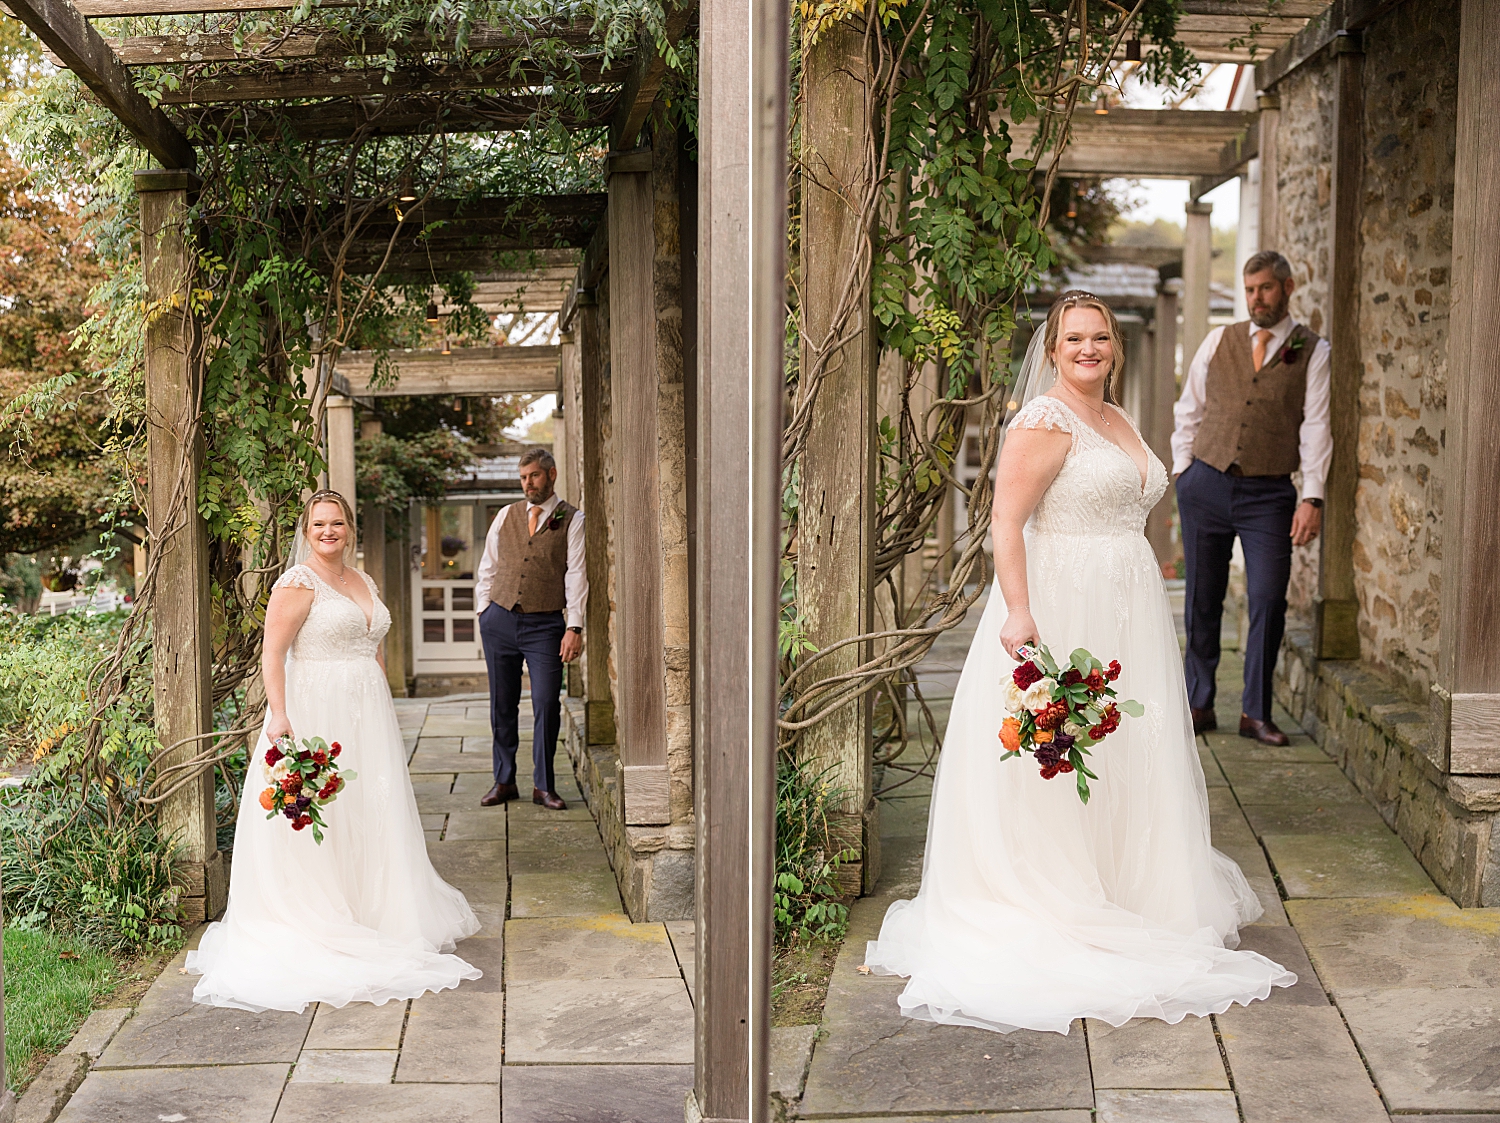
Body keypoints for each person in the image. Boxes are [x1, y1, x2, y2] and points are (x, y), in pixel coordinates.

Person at [863, 292, 1295, 1034]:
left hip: (1128, 607)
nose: (1088, 349)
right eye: (1074, 339)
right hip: (1063, 604)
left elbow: (1128, 501)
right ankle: (1056, 893)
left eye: (1100, 337)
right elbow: (1005, 520)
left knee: (1129, 750)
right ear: (1053, 350)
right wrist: (1022, 613)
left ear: (1115, 348)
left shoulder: (1117, 416)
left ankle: (1124, 885)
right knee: (1061, 760)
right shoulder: (1043, 419)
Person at [187, 490, 481, 1013]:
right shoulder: (297, 584)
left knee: (369, 810)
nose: (329, 531)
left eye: (337, 523)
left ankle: (372, 908)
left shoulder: (361, 579)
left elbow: (372, 646)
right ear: (306, 530)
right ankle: (321, 915)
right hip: (316, 713)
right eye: (319, 524)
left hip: (366, 715)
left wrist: (383, 704)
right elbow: (272, 654)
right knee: (322, 817)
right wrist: (278, 716)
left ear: (350, 528)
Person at [1170, 250, 1331, 746]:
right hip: (1207, 482)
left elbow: (1317, 426)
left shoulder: (1312, 350)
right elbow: (1189, 407)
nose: (1256, 298)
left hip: (1269, 493)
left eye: (1264, 288)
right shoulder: (1220, 339)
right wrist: (1183, 471)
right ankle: (1199, 701)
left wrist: (1313, 497)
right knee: (1202, 597)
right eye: (1249, 289)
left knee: (1265, 597)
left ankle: (1255, 713)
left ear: (1287, 287)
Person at [472, 447, 586, 811]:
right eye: (523, 478)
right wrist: (483, 611)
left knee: (545, 704)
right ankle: (504, 780)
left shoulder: (572, 519)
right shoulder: (506, 515)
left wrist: (575, 626)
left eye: (534, 476)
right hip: (500, 619)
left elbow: (577, 575)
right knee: (502, 704)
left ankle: (543, 786)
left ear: (551, 475)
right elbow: (488, 565)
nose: (528, 484)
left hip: (545, 624)